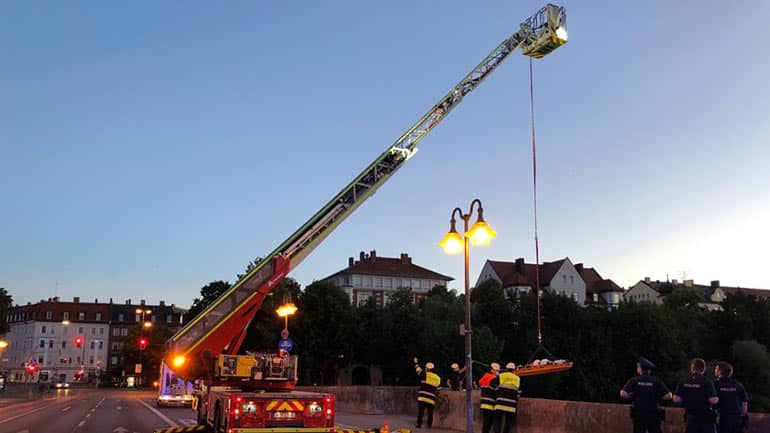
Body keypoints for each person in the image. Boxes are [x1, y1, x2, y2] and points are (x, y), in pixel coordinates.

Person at [620, 356, 672, 433]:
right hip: (653, 413)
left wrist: (632, 396)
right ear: (649, 370)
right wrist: (657, 397)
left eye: (638, 366)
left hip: (639, 413)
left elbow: (623, 393)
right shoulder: (656, 381)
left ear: (640, 368)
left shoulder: (634, 380)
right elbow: (669, 395)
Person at [674, 358, 719, 433]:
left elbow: (676, 399)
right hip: (705, 416)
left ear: (692, 368)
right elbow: (713, 400)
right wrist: (717, 398)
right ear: (703, 369)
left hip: (690, 415)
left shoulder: (684, 380)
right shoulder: (706, 381)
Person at [713, 361, 748, 433]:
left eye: (716, 369)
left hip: (722, 419)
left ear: (720, 371)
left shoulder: (715, 384)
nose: (715, 370)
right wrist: (742, 416)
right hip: (737, 419)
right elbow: (744, 403)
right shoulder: (738, 384)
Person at [493, 362, 520, 433]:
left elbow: (495, 386)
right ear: (514, 370)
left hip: (500, 403)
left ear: (506, 369)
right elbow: (517, 390)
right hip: (511, 404)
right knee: (508, 422)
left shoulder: (501, 376)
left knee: (497, 420)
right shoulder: (517, 378)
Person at [414, 358, 441, 428]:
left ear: (427, 369)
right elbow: (437, 387)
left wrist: (416, 363)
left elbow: (418, 370)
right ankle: (429, 425)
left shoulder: (424, 374)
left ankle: (419, 424)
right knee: (430, 412)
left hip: (422, 397)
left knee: (421, 412)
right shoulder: (438, 378)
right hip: (431, 398)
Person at [479, 362, 500, 433]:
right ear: (492, 370)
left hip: (483, 402)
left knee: (486, 422)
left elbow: (480, 383)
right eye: (496, 370)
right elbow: (496, 390)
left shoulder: (485, 376)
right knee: (489, 422)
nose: (497, 372)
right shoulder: (493, 378)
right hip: (490, 403)